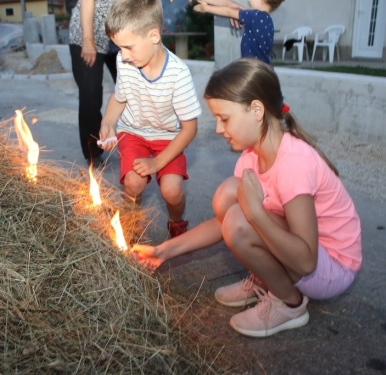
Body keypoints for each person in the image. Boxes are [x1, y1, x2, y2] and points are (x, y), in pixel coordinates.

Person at [133, 58, 362, 337]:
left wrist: (254, 214)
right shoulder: (251, 156)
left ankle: (288, 304)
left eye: (224, 119)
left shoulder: (294, 163)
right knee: (228, 196)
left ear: (256, 110)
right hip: (306, 255)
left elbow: (306, 262)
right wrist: (162, 252)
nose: (218, 129)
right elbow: (222, 222)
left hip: (332, 268)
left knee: (241, 219)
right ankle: (268, 278)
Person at [98, 0, 202, 238]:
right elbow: (119, 97)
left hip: (168, 138)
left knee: (172, 191)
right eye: (119, 48)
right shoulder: (126, 62)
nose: (123, 56)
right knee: (134, 183)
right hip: (133, 132)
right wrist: (108, 122)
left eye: (128, 47)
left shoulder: (178, 73)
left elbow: (190, 129)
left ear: (153, 35)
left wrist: (157, 163)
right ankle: (130, 227)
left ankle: (176, 224)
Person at [69, 0, 119, 167]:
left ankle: (137, 143)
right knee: (91, 94)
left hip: (119, 36)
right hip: (89, 34)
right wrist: (88, 40)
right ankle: (93, 152)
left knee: (132, 89)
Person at [194, 0, 284, 65]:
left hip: (251, 67)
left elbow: (228, 11)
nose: (249, 0)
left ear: (263, 1)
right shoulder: (268, 20)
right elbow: (230, 6)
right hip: (264, 67)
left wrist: (205, 8)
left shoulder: (254, 15)